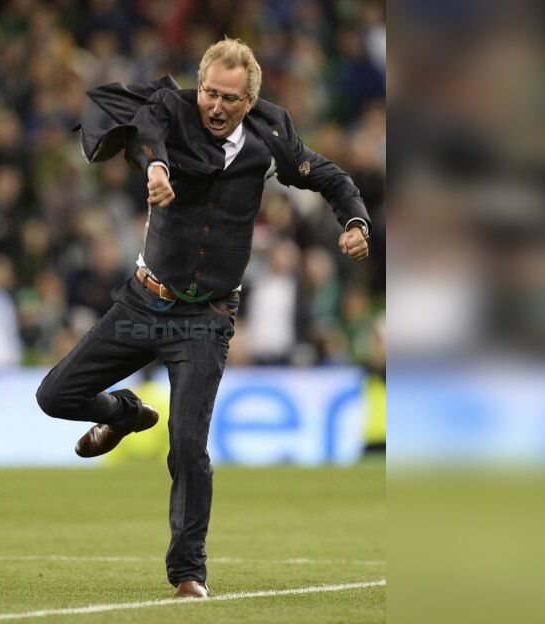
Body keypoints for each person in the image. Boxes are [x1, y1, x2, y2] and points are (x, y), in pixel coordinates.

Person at [35, 38, 370, 600]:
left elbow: (329, 176)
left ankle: (188, 575)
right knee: (54, 396)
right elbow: (147, 128)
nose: (215, 106)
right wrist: (156, 166)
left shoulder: (271, 135)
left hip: (205, 319)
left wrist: (355, 220)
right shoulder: (172, 110)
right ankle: (124, 414)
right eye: (209, 92)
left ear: (250, 100)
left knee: (188, 445)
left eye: (229, 98)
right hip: (143, 302)